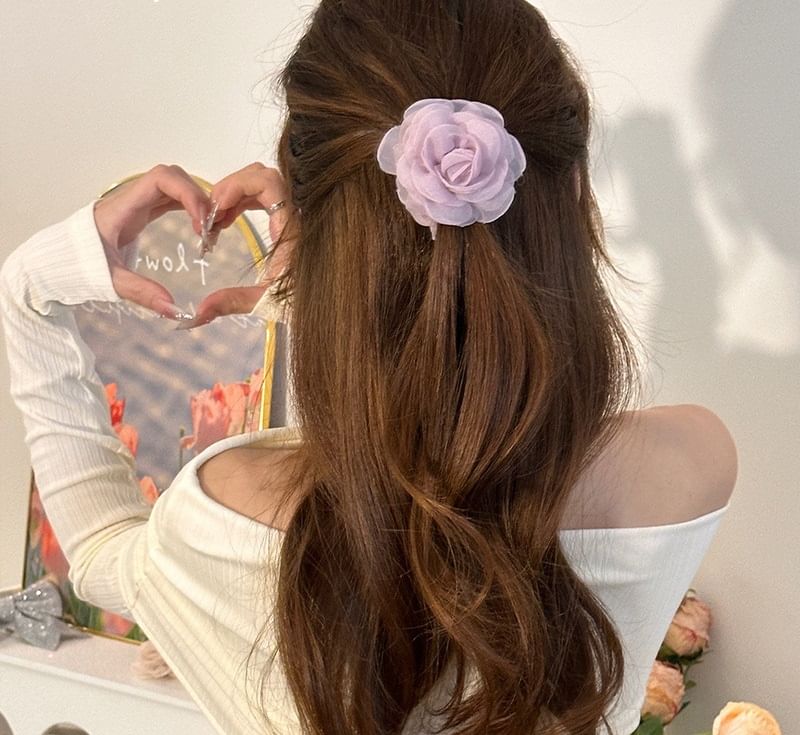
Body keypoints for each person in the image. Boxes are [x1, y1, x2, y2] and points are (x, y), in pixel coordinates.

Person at [0, 1, 737, 734]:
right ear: (575, 191)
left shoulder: (226, 511)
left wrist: (30, 288)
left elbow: (99, 548)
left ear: (304, 220)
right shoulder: (690, 464)